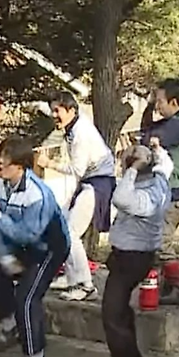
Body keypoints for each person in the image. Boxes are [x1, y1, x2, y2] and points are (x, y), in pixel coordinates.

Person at [0, 136, 71, 357]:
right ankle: (11, 327)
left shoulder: (37, 194)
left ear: (21, 165)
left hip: (48, 247)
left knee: (27, 296)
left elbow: (28, 233)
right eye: (0, 157)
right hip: (20, 245)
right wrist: (5, 257)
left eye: (7, 160)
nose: (0, 163)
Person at [37, 91, 115, 302]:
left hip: (97, 184)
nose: (54, 115)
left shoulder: (80, 133)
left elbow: (77, 170)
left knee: (69, 233)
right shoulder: (73, 125)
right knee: (60, 226)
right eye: (52, 111)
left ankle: (85, 285)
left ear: (71, 110)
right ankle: (70, 276)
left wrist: (49, 164)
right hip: (89, 182)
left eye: (58, 111)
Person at [102, 140, 173, 357]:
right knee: (120, 308)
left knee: (112, 311)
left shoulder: (144, 197)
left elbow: (120, 198)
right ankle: (127, 356)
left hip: (132, 257)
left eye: (130, 155)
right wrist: (157, 150)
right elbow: (166, 163)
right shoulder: (160, 181)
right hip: (134, 255)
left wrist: (133, 168)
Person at [140, 78, 179, 304]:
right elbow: (148, 131)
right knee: (158, 240)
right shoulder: (178, 120)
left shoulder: (178, 125)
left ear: (174, 102)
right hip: (175, 190)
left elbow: (149, 138)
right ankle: (167, 286)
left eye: (160, 101)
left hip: (177, 192)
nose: (157, 106)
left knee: (161, 241)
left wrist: (148, 132)